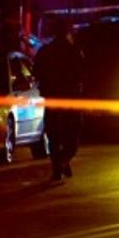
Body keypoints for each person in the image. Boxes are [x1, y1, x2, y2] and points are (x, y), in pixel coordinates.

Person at [33, 19, 86, 181]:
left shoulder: (45, 52)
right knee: (71, 135)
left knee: (54, 135)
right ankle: (62, 162)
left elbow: (36, 72)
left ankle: (59, 164)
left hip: (53, 98)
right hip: (68, 98)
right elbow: (82, 74)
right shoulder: (74, 51)